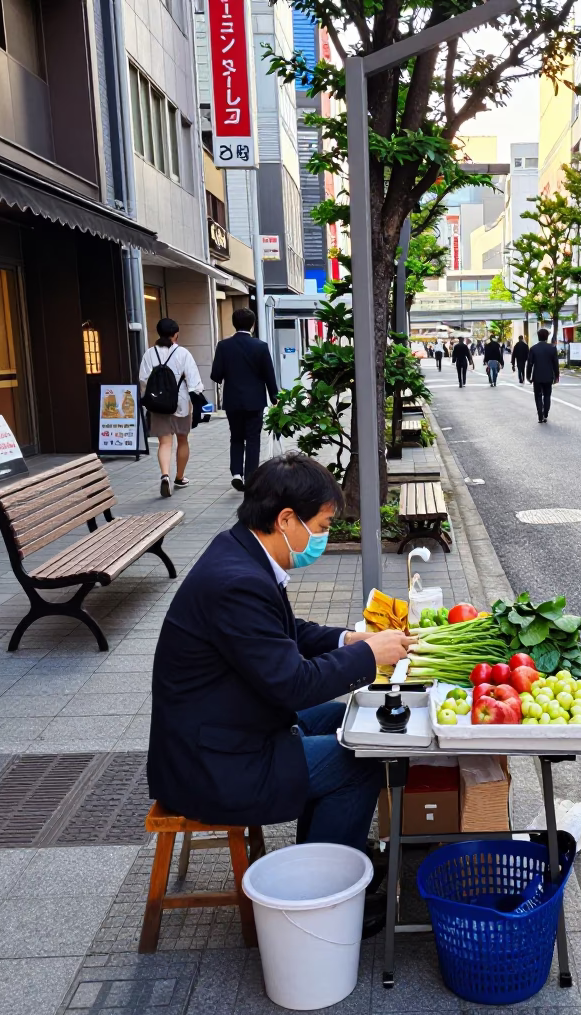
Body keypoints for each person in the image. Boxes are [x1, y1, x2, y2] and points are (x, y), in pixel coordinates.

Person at [148, 452, 416, 858]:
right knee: (362, 760)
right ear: (287, 519)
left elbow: (284, 632)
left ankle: (322, 849)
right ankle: (321, 884)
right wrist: (369, 656)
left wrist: (349, 640)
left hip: (230, 723)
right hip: (211, 763)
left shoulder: (240, 549)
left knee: (341, 718)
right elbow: (293, 684)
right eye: (322, 526)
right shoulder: (237, 582)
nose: (323, 538)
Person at [211, 308, 279, 492]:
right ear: (253, 324)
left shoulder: (223, 346)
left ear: (234, 323)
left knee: (236, 437)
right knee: (253, 438)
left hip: (233, 400)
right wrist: (275, 397)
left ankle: (236, 473)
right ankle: (250, 477)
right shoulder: (261, 346)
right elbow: (269, 375)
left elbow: (215, 374)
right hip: (254, 401)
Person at [139, 318, 205, 499]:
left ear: (158, 333)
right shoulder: (183, 353)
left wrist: (152, 397)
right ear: (176, 334)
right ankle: (179, 477)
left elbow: (144, 380)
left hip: (158, 405)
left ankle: (165, 475)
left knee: (164, 443)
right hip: (180, 403)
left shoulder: (149, 354)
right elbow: (194, 382)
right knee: (182, 440)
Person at [527, 328, 560, 423]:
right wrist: (556, 376)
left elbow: (529, 364)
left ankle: (540, 415)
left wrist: (528, 376)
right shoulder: (552, 348)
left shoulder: (533, 349)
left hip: (537, 376)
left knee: (537, 396)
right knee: (547, 395)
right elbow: (555, 364)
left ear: (538, 337)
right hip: (548, 376)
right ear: (547, 337)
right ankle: (545, 413)